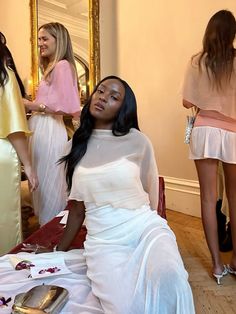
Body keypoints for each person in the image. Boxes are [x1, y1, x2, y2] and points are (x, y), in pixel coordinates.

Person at [49, 76, 195, 313]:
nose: (103, 97)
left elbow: (152, 193)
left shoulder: (138, 141)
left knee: (172, 278)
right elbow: (76, 210)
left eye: (114, 97)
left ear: (123, 109)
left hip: (144, 228)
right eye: (100, 91)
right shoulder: (75, 144)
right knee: (124, 306)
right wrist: (58, 252)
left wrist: (158, 230)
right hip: (104, 241)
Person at [182, 10, 236, 284]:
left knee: (207, 198)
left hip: (204, 129)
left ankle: (216, 265)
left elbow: (186, 101)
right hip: (233, 132)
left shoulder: (197, 61)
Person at [24, 22, 81, 226]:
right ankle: (46, 229)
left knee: (49, 184)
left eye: (45, 38)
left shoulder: (62, 66)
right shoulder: (51, 68)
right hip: (41, 128)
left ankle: (51, 232)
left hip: (49, 129)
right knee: (41, 183)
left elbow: (64, 106)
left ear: (60, 41)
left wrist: (28, 103)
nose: (40, 43)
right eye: (39, 39)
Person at [0, 32, 38, 255]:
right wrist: (29, 165)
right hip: (2, 152)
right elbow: (14, 127)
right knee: (4, 219)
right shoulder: (5, 76)